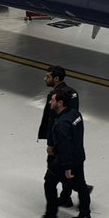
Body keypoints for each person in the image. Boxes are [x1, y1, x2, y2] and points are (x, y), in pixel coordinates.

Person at [33, 87, 92, 218]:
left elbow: (64, 147)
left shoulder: (61, 124)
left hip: (64, 161)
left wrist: (66, 167)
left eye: (52, 100)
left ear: (60, 103)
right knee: (82, 186)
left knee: (49, 183)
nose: (49, 103)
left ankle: (50, 217)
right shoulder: (75, 114)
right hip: (79, 156)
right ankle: (85, 214)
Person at [38, 65, 81, 208]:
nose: (45, 79)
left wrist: (50, 143)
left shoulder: (55, 97)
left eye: (48, 76)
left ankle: (79, 188)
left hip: (59, 141)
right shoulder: (72, 93)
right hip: (70, 140)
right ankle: (67, 195)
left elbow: (52, 122)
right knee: (66, 169)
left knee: (52, 174)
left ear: (56, 78)